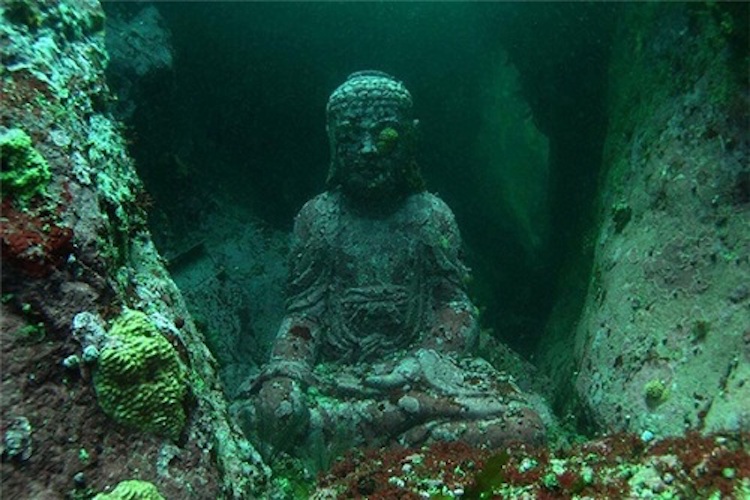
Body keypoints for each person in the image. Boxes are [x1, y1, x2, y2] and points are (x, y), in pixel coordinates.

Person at [242, 71, 545, 455]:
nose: (368, 150)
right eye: (351, 136)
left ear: (410, 137)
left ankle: (359, 448)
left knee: (522, 425)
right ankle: (404, 447)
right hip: (341, 384)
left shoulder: (431, 215)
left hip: (422, 381)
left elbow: (454, 306)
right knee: (267, 415)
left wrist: (426, 359)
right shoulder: (317, 218)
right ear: (332, 139)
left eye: (386, 135)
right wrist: (287, 375)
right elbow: (304, 315)